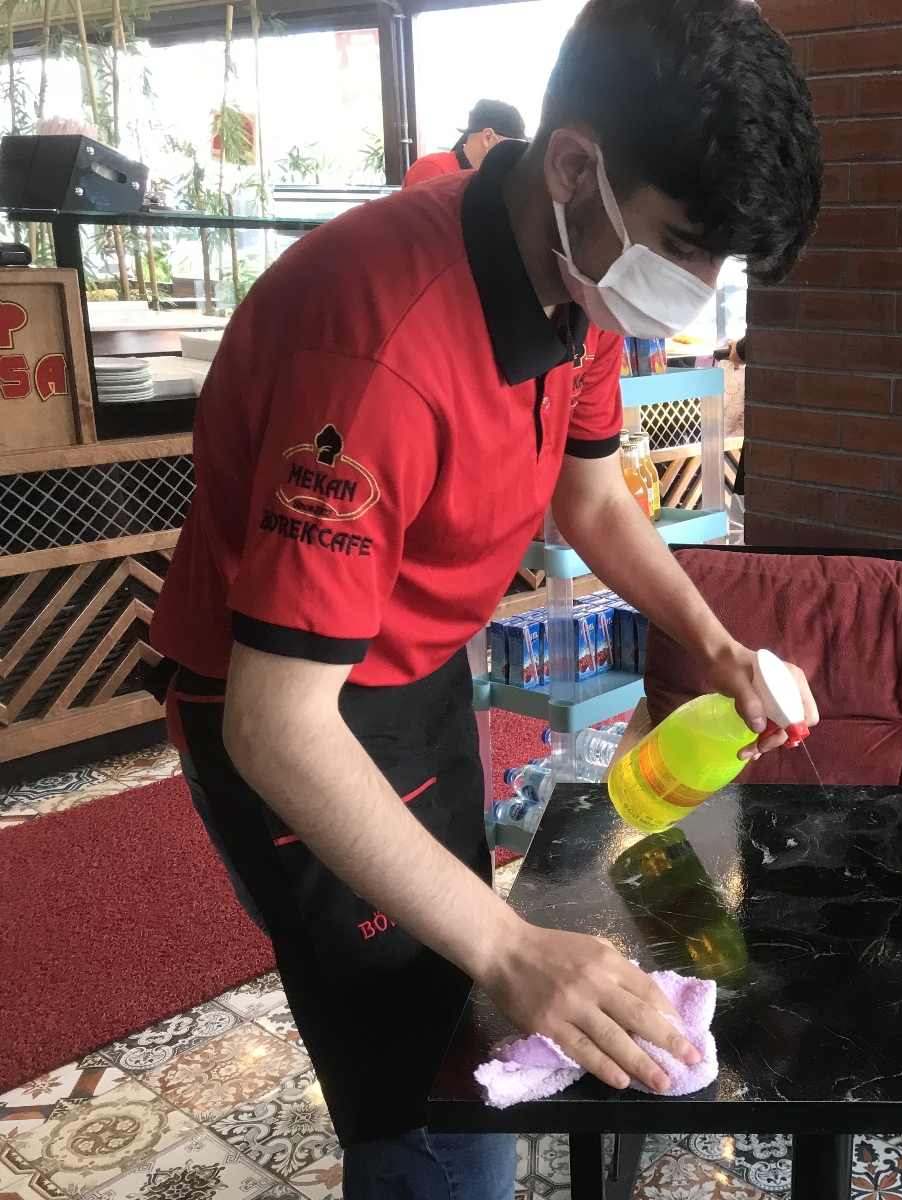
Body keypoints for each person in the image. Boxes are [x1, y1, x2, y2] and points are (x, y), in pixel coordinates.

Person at [147, 1, 821, 1195]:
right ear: (572, 166)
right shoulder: (378, 350)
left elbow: (591, 500)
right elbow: (275, 724)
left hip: (413, 665)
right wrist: (511, 948)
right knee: (419, 1072)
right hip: (287, 701)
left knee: (460, 1003)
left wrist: (715, 645)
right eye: (687, 249)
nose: (696, 292)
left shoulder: (580, 276)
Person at [402, 98, 525, 187]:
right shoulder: (433, 169)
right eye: (513, 145)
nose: (517, 154)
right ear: (488, 138)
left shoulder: (489, 179)